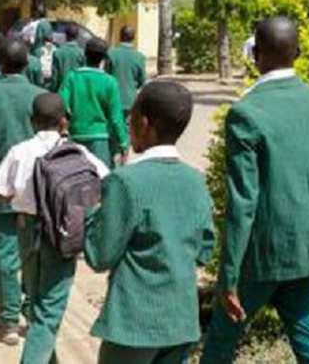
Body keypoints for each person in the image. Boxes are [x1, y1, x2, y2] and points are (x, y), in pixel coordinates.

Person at [200, 17, 309, 363]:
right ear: (299, 52)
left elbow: (243, 201)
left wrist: (228, 275)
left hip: (260, 256)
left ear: (256, 55)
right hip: (307, 250)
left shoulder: (246, 112)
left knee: (221, 341)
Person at [85, 81, 215, 364]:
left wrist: (89, 214)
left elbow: (99, 255)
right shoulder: (195, 181)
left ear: (143, 123)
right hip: (180, 322)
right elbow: (204, 251)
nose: (127, 124)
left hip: (133, 324)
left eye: (130, 117)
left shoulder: (125, 182)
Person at [0, 93, 109, 363]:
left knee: (37, 303)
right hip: (63, 233)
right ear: (64, 122)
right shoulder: (78, 152)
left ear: (32, 121)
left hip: (27, 229)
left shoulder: (19, 151)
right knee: (49, 310)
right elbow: (106, 181)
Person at [0, 39, 48, 345]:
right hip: (38, 189)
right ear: (27, 64)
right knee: (34, 252)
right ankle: (32, 311)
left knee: (3, 254)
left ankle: (8, 320)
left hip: (1, 189)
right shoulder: (41, 96)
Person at [59, 38, 129, 169]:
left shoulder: (71, 77)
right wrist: (123, 142)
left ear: (85, 55)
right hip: (100, 141)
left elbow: (62, 105)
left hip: (76, 137)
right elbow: (116, 118)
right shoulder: (110, 81)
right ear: (104, 59)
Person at [104, 26, 147, 118]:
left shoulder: (110, 54)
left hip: (112, 99)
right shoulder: (139, 57)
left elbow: (105, 77)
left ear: (120, 36)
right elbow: (142, 81)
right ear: (133, 38)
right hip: (131, 100)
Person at [51, 24, 85, 91]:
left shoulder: (58, 52)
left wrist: (53, 90)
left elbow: (55, 76)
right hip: (76, 89)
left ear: (66, 35)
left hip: (61, 90)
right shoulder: (82, 53)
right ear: (77, 36)